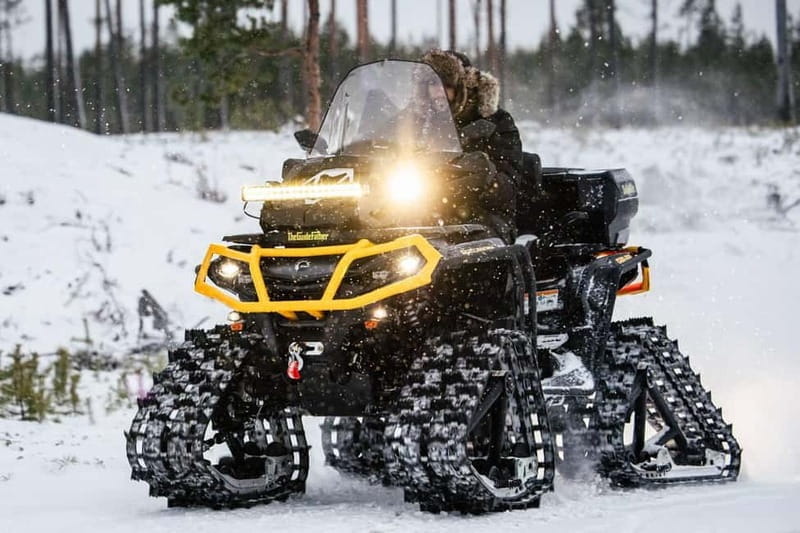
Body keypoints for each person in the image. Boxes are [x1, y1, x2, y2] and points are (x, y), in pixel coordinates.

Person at [420, 49, 523, 242]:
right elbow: (381, 144)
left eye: (445, 84)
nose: (438, 91)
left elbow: (508, 187)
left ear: (462, 85)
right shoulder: (414, 121)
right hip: (419, 212)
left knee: (473, 250)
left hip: (480, 215)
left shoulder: (496, 123)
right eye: (432, 83)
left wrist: (484, 178)